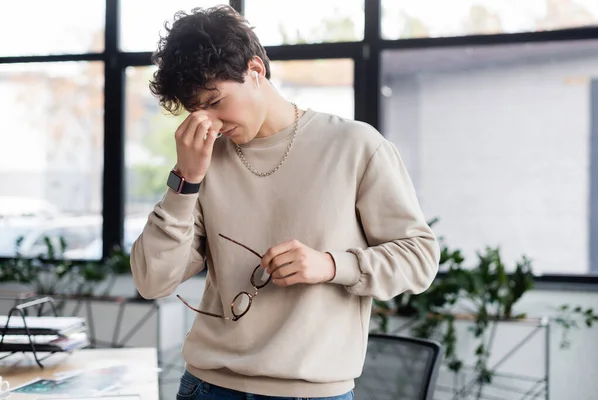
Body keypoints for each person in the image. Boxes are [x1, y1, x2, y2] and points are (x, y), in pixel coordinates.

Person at [130, 4, 440, 400]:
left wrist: (331, 265)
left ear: (255, 71)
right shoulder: (205, 160)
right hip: (208, 387)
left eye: (214, 101)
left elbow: (420, 259)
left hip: (312, 393)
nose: (209, 122)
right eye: (195, 111)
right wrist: (185, 181)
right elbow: (153, 281)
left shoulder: (356, 146)